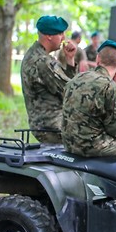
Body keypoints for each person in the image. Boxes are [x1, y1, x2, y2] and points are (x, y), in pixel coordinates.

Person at [62, 40, 116, 156]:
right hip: (91, 147)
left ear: (97, 59)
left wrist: (114, 84)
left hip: (69, 145)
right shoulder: (109, 86)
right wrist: (115, 86)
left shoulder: (77, 78)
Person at [21, 15, 77, 143]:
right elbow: (71, 91)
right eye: (60, 33)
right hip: (53, 126)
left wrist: (70, 59)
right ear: (49, 36)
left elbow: (66, 86)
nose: (64, 38)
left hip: (47, 124)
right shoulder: (43, 61)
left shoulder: (35, 54)